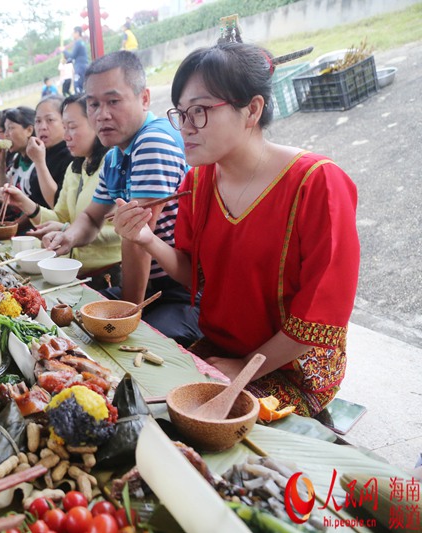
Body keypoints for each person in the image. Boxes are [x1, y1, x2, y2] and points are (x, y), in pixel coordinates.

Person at [112, 42, 360, 416]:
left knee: (200, 424)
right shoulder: (198, 183)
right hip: (221, 349)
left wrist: (247, 367)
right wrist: (145, 238)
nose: (186, 128)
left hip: (294, 368)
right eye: (181, 113)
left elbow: (320, 319)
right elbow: (193, 271)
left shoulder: (317, 182)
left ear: (252, 110)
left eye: (200, 111)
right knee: (129, 394)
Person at [43, 51, 200, 347]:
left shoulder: (153, 142)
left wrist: (124, 315)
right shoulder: (115, 155)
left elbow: (138, 239)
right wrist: (69, 237)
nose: (102, 114)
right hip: (149, 288)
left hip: (182, 292)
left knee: (124, 349)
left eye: (113, 101)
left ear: (144, 98)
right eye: (93, 104)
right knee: (66, 319)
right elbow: (91, 217)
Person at [0, 95, 119, 290]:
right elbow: (60, 216)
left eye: (72, 126)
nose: (66, 135)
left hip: (105, 278)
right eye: (65, 126)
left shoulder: (114, 165)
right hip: (67, 271)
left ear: (95, 123)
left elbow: (122, 233)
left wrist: (68, 232)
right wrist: (24, 203)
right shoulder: (75, 166)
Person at [63, 27, 89, 93]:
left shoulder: (78, 42)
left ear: (77, 33)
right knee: (83, 86)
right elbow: (76, 57)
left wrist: (64, 50)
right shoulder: (82, 43)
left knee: (77, 86)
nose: (72, 35)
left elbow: (72, 55)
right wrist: (68, 61)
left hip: (80, 67)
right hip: (83, 66)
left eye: (73, 33)